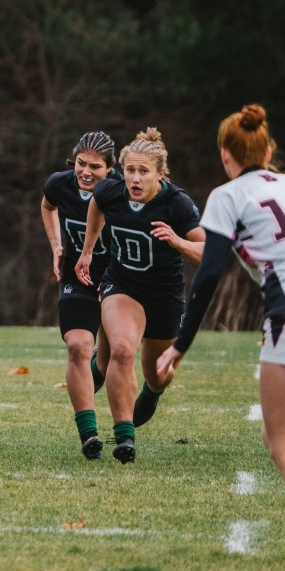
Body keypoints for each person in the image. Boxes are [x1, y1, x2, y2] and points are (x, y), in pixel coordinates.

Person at [155, 105, 285, 566]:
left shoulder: (229, 194)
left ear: (225, 155)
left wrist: (180, 344)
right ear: (269, 150)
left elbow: (210, 272)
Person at [75, 128, 204, 464]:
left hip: (164, 295)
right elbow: (96, 209)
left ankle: (152, 393)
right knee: (120, 349)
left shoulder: (177, 203)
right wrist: (88, 250)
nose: (135, 177)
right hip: (122, 285)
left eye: (143, 171)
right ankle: (124, 437)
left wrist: (178, 241)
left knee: (158, 372)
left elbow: (208, 251)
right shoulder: (109, 190)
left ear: (159, 174)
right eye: (130, 170)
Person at [40, 132, 119, 460]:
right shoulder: (60, 184)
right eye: (82, 164)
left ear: (110, 168)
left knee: (116, 352)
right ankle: (89, 435)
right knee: (77, 346)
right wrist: (57, 244)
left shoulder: (123, 191)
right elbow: (47, 206)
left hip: (117, 280)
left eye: (95, 166)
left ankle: (99, 371)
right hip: (76, 276)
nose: (86, 172)